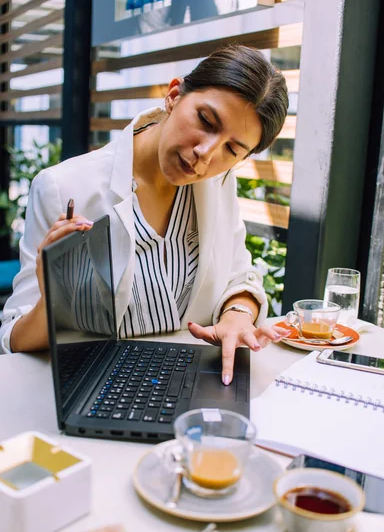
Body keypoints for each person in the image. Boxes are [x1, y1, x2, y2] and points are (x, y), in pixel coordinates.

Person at [0, 44, 290, 383]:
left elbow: (239, 278)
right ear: (174, 95)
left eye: (231, 149)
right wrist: (53, 302)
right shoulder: (62, 187)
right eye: (206, 120)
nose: (206, 154)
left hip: (193, 384)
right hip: (95, 388)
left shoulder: (219, 182)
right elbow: (14, 340)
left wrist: (238, 316)